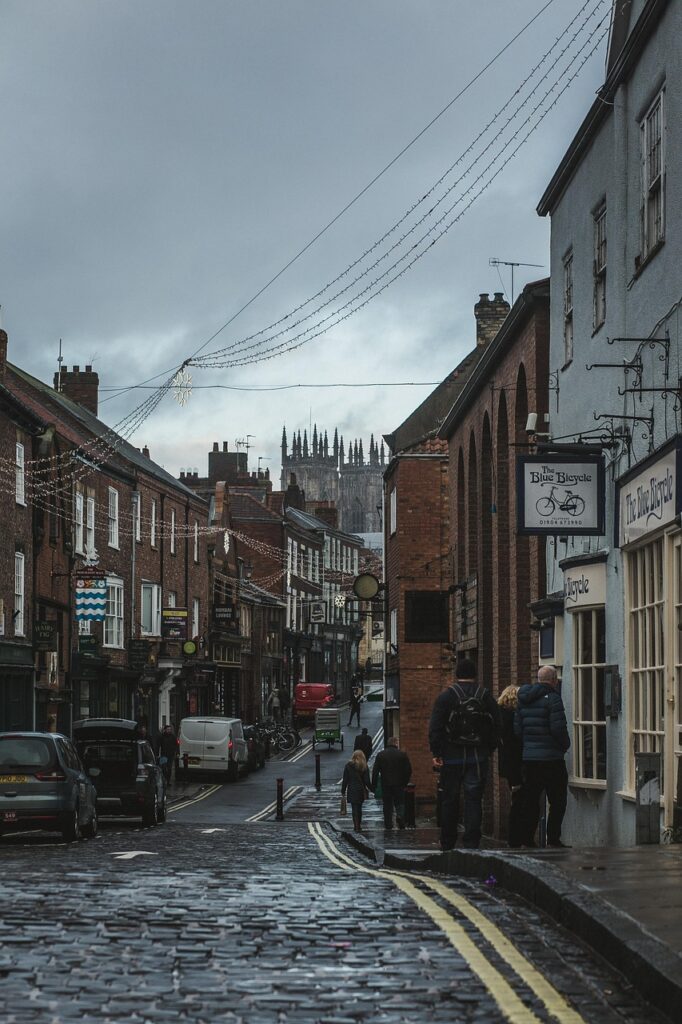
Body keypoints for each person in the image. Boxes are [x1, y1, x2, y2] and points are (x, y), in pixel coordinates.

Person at [428, 658, 500, 851]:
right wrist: (488, 749)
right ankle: (471, 841)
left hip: (451, 756)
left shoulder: (446, 697)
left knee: (450, 799)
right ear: (475, 675)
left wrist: (436, 752)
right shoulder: (484, 696)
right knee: (474, 799)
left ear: (456, 675)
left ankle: (448, 841)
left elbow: (435, 726)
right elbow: (497, 725)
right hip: (477, 757)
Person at [514, 665, 571, 848]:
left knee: (530, 800)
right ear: (554, 680)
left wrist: (529, 747)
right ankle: (553, 838)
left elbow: (518, 730)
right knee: (558, 800)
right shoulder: (553, 699)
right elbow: (558, 728)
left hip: (530, 759)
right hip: (552, 759)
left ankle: (527, 839)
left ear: (538, 679)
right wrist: (565, 746)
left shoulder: (523, 700)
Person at [497, 685, 524, 848]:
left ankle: (513, 838)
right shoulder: (515, 717)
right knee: (520, 801)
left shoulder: (499, 716)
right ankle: (516, 838)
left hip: (506, 765)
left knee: (516, 799)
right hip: (517, 764)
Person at [371, 737, 412, 830]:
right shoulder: (402, 755)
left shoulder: (381, 755)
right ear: (396, 744)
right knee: (400, 802)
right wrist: (405, 782)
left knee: (387, 804)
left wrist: (373, 786)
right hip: (399, 784)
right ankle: (400, 817)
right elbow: (408, 770)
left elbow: (375, 771)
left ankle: (388, 824)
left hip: (386, 784)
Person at [341, 750, 371, 832]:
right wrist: (372, 789)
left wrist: (343, 790)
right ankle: (359, 825)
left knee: (354, 808)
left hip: (352, 789)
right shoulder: (364, 766)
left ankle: (356, 826)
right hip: (360, 790)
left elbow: (345, 779)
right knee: (359, 808)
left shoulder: (348, 765)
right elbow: (367, 781)